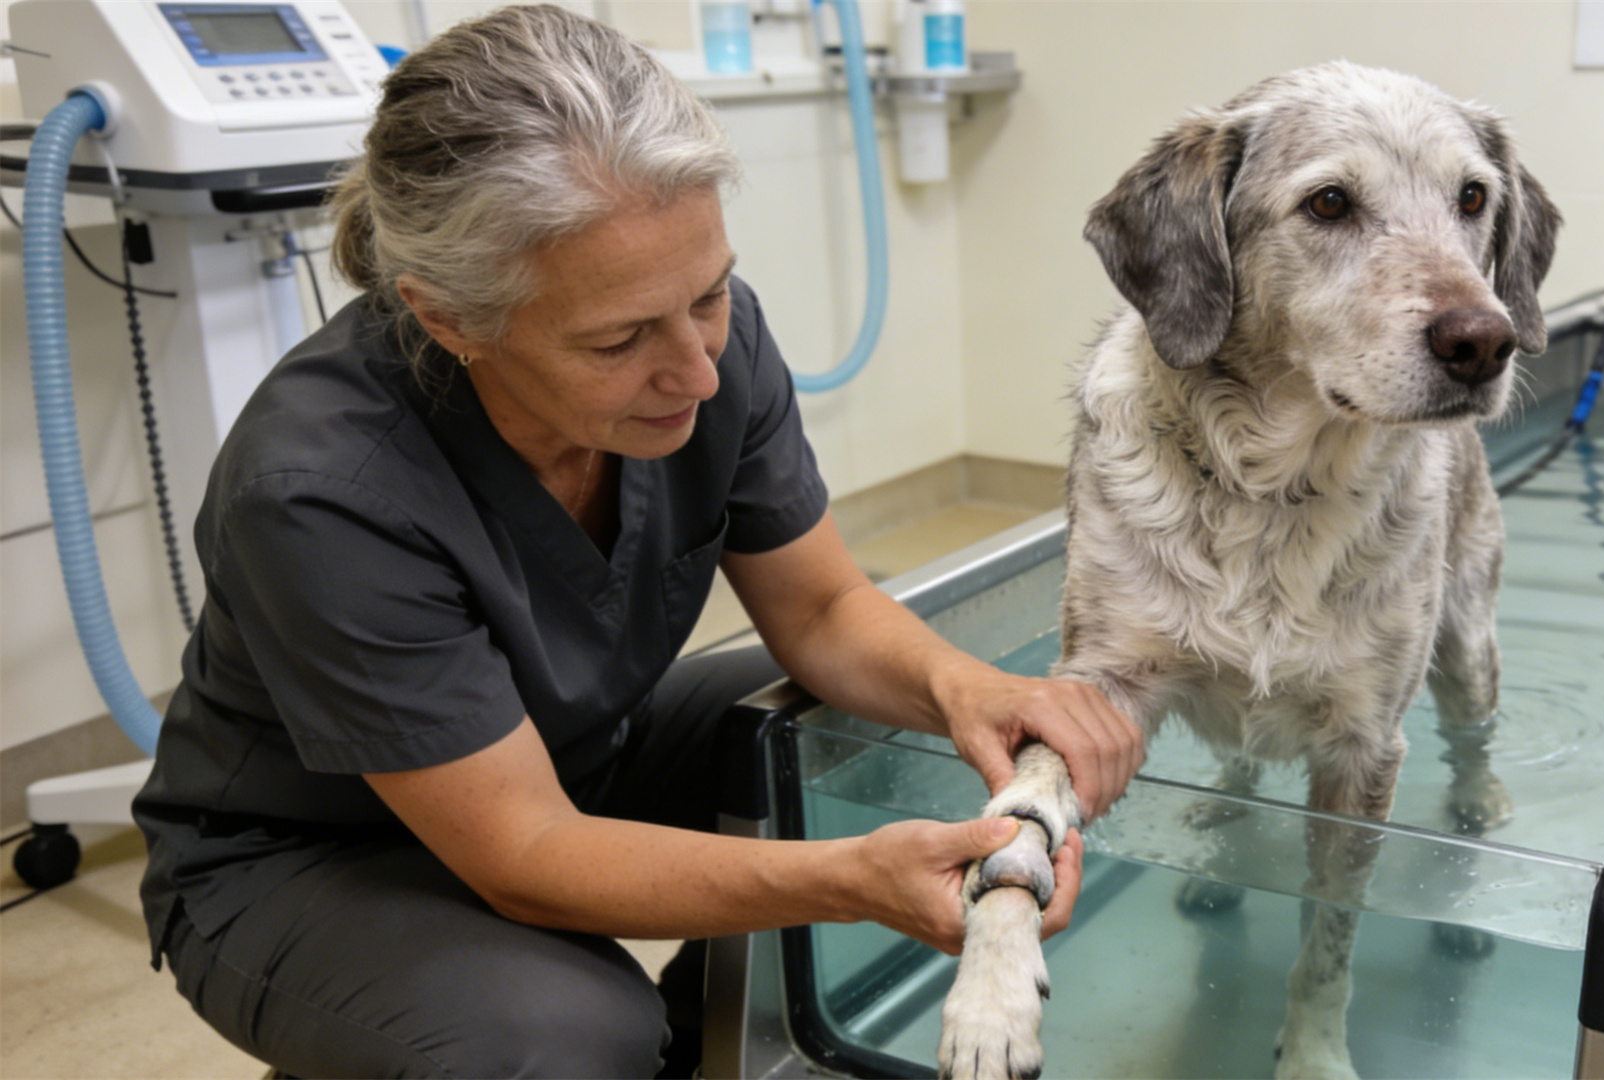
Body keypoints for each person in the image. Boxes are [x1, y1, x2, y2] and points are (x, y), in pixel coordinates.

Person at [131, 7, 1143, 1077]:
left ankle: (705, 1041)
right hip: (311, 854)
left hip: (569, 754)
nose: (700, 372)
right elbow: (524, 850)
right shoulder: (323, 489)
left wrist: (965, 690)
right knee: (563, 1035)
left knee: (854, 739)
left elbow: (824, 612)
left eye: (706, 296)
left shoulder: (709, 344)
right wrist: (848, 877)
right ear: (450, 320)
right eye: (618, 339)